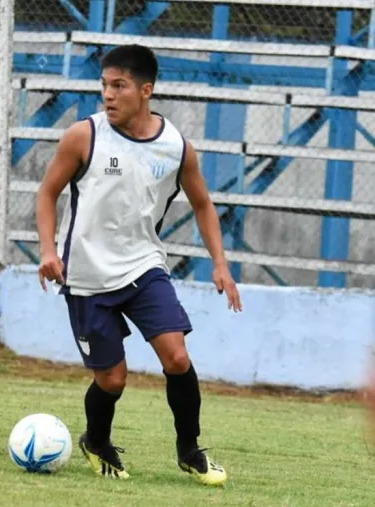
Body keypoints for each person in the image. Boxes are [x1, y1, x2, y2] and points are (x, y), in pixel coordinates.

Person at [34, 44, 242, 486]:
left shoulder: (176, 148)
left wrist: (220, 264)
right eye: (105, 85)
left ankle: (190, 451)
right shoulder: (83, 136)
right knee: (112, 379)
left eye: (119, 86)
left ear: (146, 91)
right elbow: (47, 193)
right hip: (86, 275)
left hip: (144, 267)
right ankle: (96, 441)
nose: (108, 95)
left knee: (177, 357)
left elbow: (203, 204)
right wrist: (48, 250)